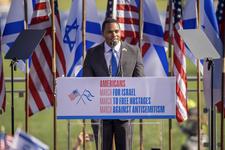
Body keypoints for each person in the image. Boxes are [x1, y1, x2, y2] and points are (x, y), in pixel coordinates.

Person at [83, 18, 144, 150]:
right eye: (110, 32)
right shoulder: (92, 54)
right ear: (103, 33)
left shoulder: (134, 51)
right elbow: (87, 82)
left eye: (117, 31)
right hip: (100, 114)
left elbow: (140, 81)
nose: (114, 34)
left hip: (125, 113)